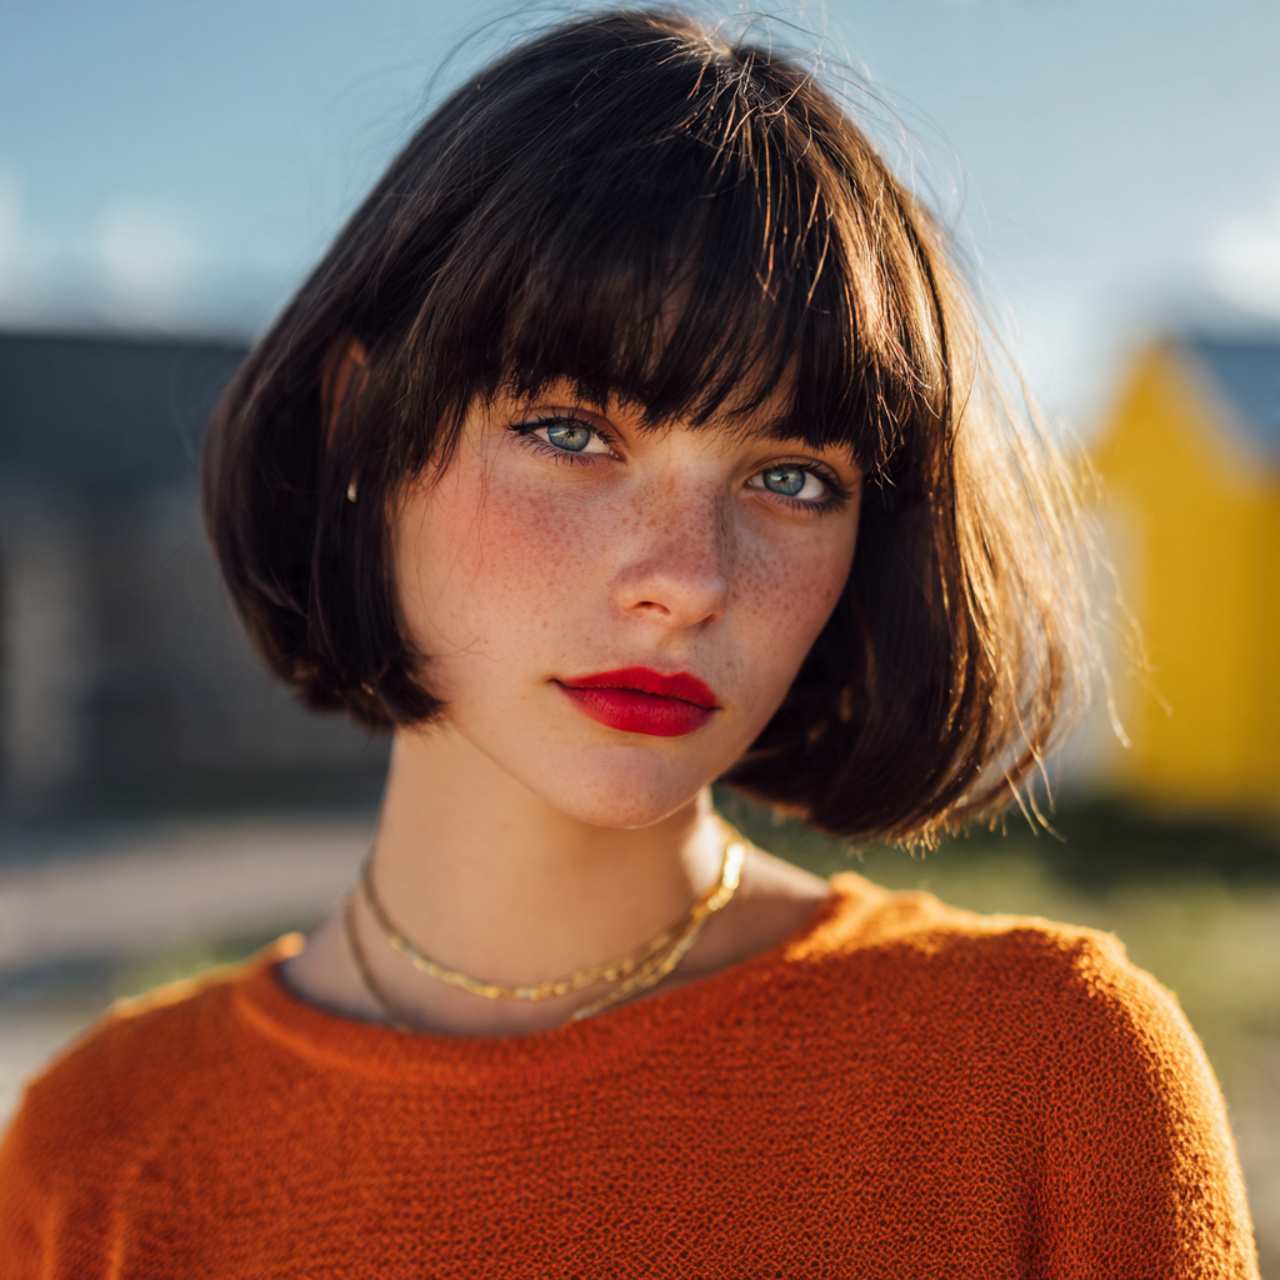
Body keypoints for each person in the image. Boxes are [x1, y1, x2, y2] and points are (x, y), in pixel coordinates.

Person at [0, 8, 1258, 1276]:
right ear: (358, 425)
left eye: (790, 477)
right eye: (570, 432)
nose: (686, 581)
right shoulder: (100, 1154)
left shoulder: (1047, 1078)